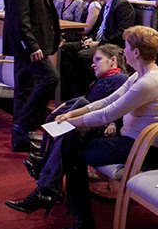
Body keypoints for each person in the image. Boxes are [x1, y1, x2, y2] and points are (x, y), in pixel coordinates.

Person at [51, 27, 158, 229]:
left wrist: (70, 123)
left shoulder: (149, 82)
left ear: (136, 52)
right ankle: (55, 193)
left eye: (126, 47)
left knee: (73, 151)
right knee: (72, 141)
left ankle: (83, 223)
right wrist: (72, 114)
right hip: (131, 141)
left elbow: (107, 114)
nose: (123, 51)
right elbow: (107, 101)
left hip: (143, 149)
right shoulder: (140, 75)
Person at [8, 44, 130, 214]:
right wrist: (68, 107)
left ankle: (46, 184)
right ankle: (47, 183)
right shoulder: (103, 79)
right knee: (61, 123)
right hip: (91, 122)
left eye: (98, 59)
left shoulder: (121, 79)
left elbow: (118, 107)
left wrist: (114, 123)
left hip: (102, 128)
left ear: (113, 60)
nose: (93, 64)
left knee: (69, 133)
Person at [4, 0, 62, 152]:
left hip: (34, 42)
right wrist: (31, 45)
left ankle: (20, 137)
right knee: (50, 77)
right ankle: (23, 125)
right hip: (27, 45)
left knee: (25, 88)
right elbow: (19, 15)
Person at [61, 0, 136, 99]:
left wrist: (99, 43)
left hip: (111, 45)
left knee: (83, 56)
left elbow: (122, 33)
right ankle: (67, 92)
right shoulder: (106, 5)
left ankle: (87, 94)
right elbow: (98, 28)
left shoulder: (122, 5)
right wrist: (91, 38)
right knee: (65, 49)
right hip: (99, 41)